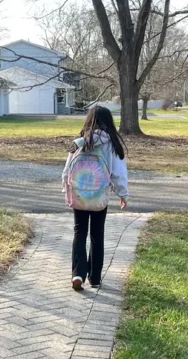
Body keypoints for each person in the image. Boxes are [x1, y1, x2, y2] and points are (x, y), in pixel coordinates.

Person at [62, 107, 129, 291]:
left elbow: (67, 171)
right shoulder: (112, 144)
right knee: (97, 234)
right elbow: (118, 173)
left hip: (80, 195)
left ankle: (78, 273)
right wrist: (122, 194)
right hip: (99, 197)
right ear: (109, 122)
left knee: (79, 232)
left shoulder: (79, 142)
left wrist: (67, 190)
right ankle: (95, 277)